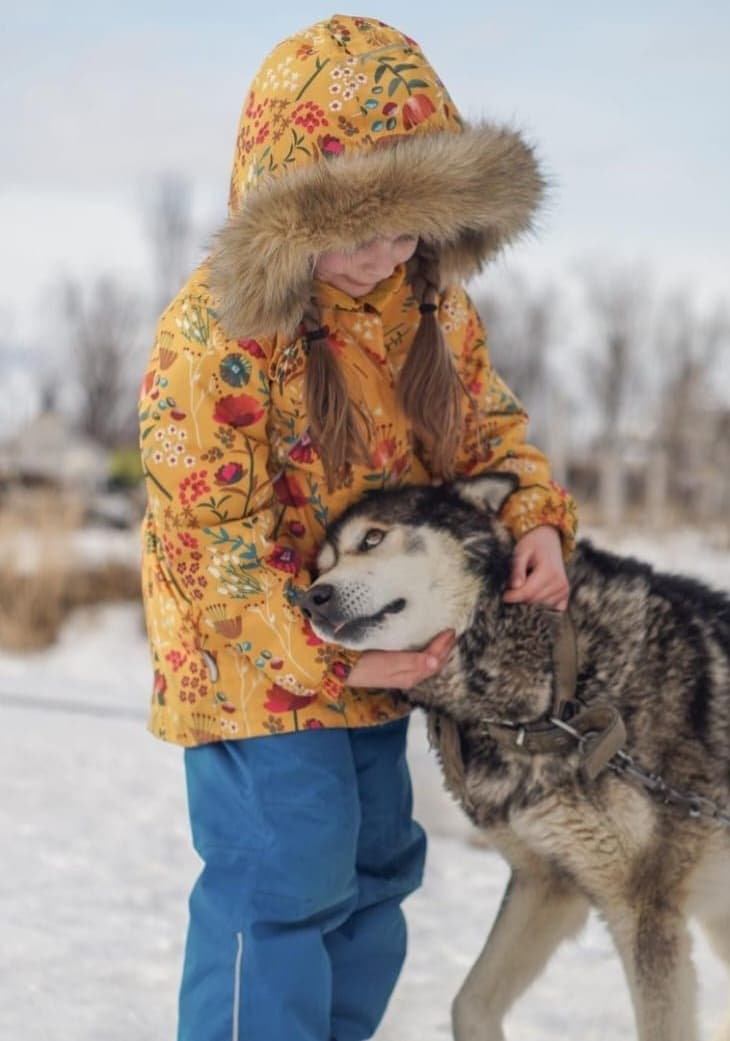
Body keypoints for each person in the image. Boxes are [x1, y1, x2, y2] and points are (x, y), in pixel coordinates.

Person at [138, 14, 578, 1041]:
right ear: (288, 210)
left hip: (378, 648)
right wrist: (336, 664)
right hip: (254, 663)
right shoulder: (218, 332)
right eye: (357, 227)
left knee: (378, 865)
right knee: (287, 871)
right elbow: (214, 544)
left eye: (408, 226)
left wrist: (533, 521)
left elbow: (489, 437)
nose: (384, 254)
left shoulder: (429, 310)